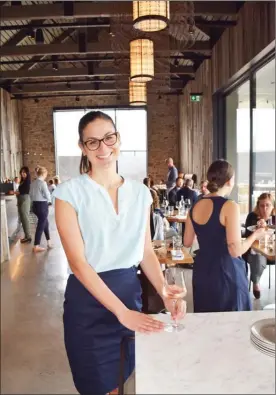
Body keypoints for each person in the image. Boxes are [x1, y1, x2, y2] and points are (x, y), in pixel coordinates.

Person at [52, 111, 183, 395]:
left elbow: (145, 250)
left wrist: (163, 291)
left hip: (129, 297)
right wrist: (121, 313)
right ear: (82, 147)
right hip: (88, 304)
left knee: (121, 382)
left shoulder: (140, 193)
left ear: (118, 140)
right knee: (98, 386)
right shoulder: (68, 194)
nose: (103, 148)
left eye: (109, 138)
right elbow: (78, 264)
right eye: (93, 142)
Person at [183, 159, 265, 313]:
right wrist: (255, 235)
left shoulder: (194, 206)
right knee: (232, 324)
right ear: (229, 181)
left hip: (202, 271)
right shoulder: (230, 206)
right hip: (226, 272)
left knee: (207, 321)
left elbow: (187, 242)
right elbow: (235, 250)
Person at [244, 193, 275, 299]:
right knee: (257, 256)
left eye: (268, 205)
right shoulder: (252, 217)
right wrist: (258, 229)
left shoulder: (274, 218)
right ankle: (256, 282)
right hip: (257, 250)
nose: (265, 208)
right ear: (258, 206)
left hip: (272, 250)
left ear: (273, 206)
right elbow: (247, 236)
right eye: (262, 205)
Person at [30, 166, 52, 253]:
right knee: (41, 225)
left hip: (34, 205)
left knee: (45, 222)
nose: (46, 176)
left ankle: (49, 242)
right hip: (42, 205)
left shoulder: (33, 183)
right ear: (43, 174)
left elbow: (30, 195)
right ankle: (36, 245)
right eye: (46, 174)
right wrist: (50, 201)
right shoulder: (43, 183)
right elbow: (47, 194)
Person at [16, 166, 32, 243]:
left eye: (24, 172)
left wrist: (14, 192)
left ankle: (28, 236)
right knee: (23, 219)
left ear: (27, 173)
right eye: (21, 172)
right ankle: (27, 236)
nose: (22, 174)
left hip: (25, 200)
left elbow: (24, 191)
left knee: (25, 218)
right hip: (21, 199)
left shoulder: (27, 181)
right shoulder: (23, 181)